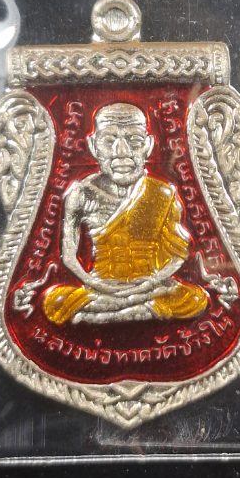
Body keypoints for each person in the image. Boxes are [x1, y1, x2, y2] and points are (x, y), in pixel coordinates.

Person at [42, 102, 209, 325]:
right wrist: (96, 284)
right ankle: (135, 312)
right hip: (100, 287)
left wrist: (149, 283)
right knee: (54, 302)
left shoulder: (162, 193)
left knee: (196, 299)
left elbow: (178, 253)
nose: (121, 152)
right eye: (109, 141)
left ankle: (107, 315)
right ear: (93, 145)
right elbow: (69, 256)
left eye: (134, 141)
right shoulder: (81, 194)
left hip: (149, 286)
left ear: (148, 145)